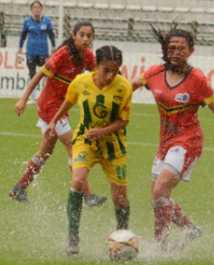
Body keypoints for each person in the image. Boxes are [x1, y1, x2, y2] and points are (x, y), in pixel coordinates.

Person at [133, 27, 214, 248]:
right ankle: (190, 228)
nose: (175, 52)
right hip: (164, 143)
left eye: (181, 48)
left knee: (159, 190)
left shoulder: (197, 79)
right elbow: (128, 87)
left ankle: (160, 245)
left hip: (188, 142)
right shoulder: (154, 73)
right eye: (171, 47)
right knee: (158, 199)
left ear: (191, 51)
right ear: (166, 49)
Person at [9, 21, 106, 208]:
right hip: (49, 106)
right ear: (73, 35)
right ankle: (87, 195)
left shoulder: (87, 55)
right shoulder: (62, 54)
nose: (86, 39)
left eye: (89, 36)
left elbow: (98, 76)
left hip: (60, 108)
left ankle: (19, 187)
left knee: (45, 152)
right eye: (82, 35)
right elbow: (38, 77)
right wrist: (23, 99)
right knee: (73, 146)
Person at [47, 45, 132, 255]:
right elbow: (68, 102)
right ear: (96, 65)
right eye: (106, 70)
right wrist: (54, 121)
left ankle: (122, 238)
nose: (111, 75)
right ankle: (73, 238)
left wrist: (102, 131)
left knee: (120, 197)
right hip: (85, 140)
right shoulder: (80, 82)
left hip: (114, 145)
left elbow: (123, 121)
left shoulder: (124, 87)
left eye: (115, 70)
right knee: (77, 181)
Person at [17, 1, 56, 80]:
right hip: (31, 52)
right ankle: (33, 91)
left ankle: (46, 90)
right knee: (32, 73)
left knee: (48, 72)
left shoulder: (47, 21)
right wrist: (20, 47)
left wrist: (53, 46)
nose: (36, 9)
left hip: (43, 52)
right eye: (34, 7)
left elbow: (51, 34)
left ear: (41, 9)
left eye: (38, 7)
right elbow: (23, 35)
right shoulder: (27, 22)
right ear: (31, 10)